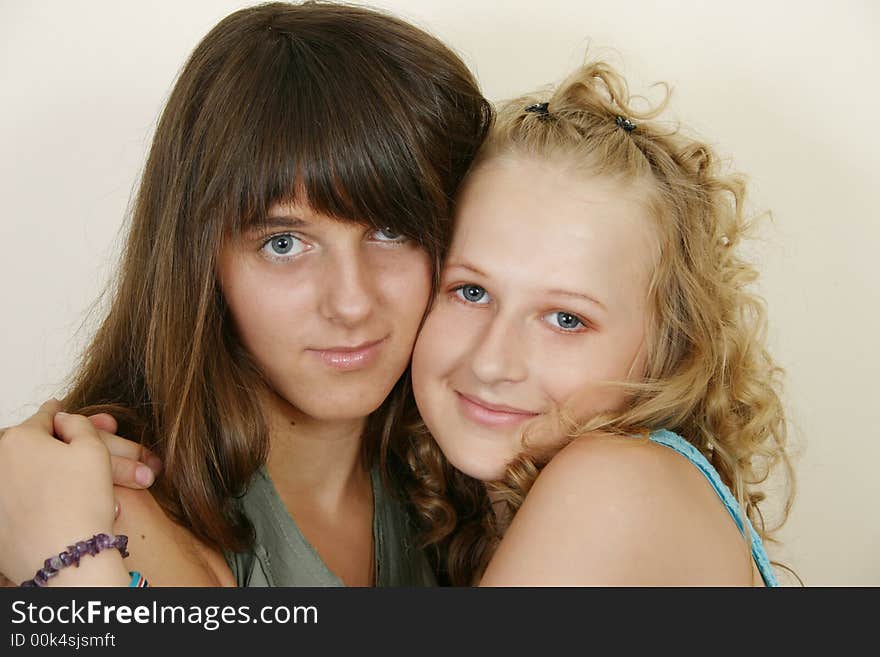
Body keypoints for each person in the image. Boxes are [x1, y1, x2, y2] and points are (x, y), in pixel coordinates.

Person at [0, 1, 491, 588]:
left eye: (392, 231)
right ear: (200, 257)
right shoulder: (100, 512)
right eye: (284, 243)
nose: (352, 302)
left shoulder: (458, 476)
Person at [406, 61, 795, 586]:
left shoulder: (612, 485)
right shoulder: (477, 512)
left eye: (567, 319)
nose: (492, 361)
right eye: (471, 292)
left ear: (669, 349)